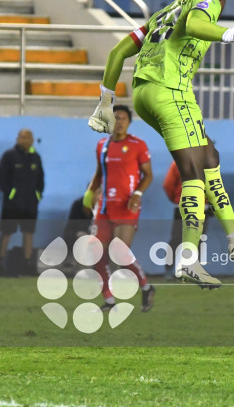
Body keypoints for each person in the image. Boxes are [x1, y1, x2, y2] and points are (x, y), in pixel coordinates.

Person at [88, 0, 234, 288]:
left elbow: (118, 52)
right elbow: (195, 25)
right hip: (170, 91)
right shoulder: (207, 2)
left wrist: (106, 101)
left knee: (209, 155)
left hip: (145, 93)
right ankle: (188, 258)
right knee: (193, 172)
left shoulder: (166, 11)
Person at [84, 105, 155, 312]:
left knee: (119, 253)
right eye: (116, 117)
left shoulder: (138, 145)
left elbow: (148, 175)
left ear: (129, 122)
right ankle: (109, 301)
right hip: (105, 207)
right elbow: (99, 173)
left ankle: (146, 287)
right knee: (97, 254)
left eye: (123, 118)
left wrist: (137, 193)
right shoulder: (102, 145)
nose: (120, 121)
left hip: (127, 206)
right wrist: (89, 193)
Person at [0, 128, 44, 276]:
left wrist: (38, 195)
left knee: (28, 233)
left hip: (30, 204)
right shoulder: (9, 156)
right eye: (23, 137)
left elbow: (41, 179)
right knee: (6, 232)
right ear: (18, 139)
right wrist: (10, 194)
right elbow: (1, 177)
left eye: (29, 137)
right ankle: (0, 264)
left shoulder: (36, 157)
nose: (26, 140)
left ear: (32, 140)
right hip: (12, 204)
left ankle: (27, 265)